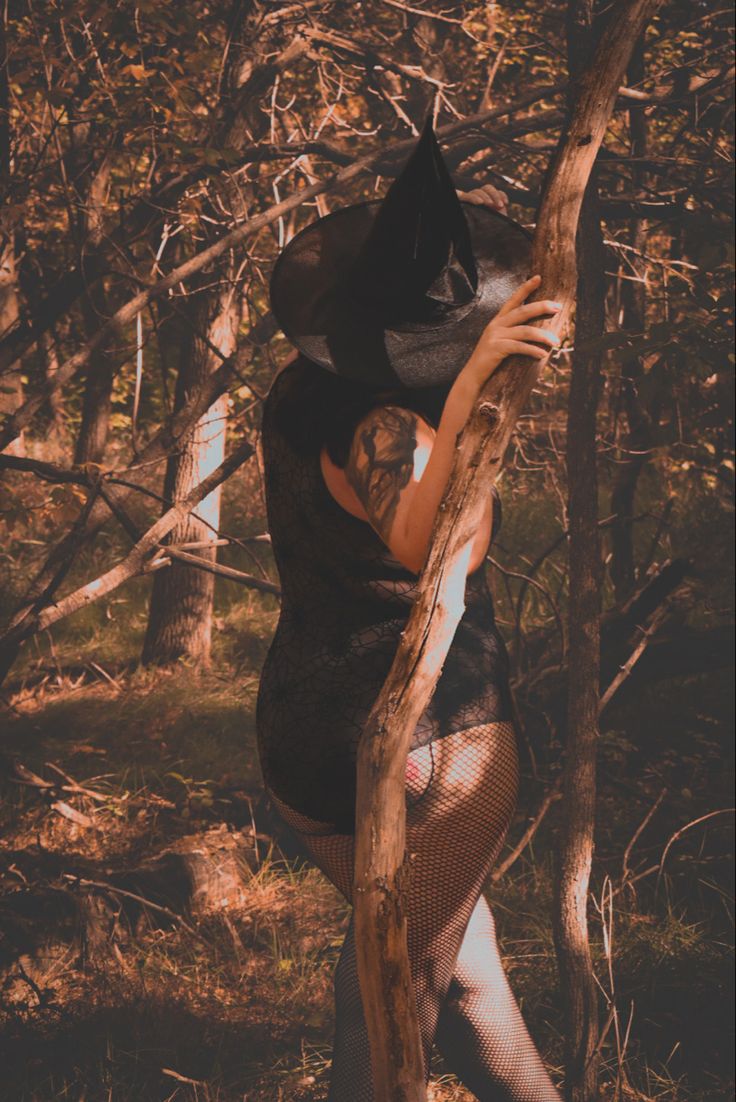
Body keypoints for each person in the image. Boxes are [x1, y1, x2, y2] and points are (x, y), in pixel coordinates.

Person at [255, 117, 562, 1100]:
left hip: (302, 734)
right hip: (428, 739)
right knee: (386, 998)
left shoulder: (296, 395)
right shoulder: (392, 423)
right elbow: (430, 552)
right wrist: (473, 386)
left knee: (463, 981)